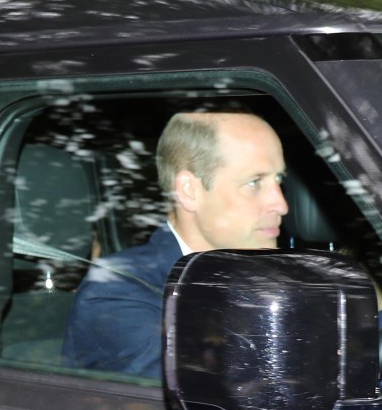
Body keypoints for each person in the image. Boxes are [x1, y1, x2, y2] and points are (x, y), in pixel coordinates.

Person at [61, 112, 289, 377]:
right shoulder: (117, 291)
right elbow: (208, 394)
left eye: (279, 180)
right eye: (254, 183)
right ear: (189, 191)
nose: (281, 205)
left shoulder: (272, 280)